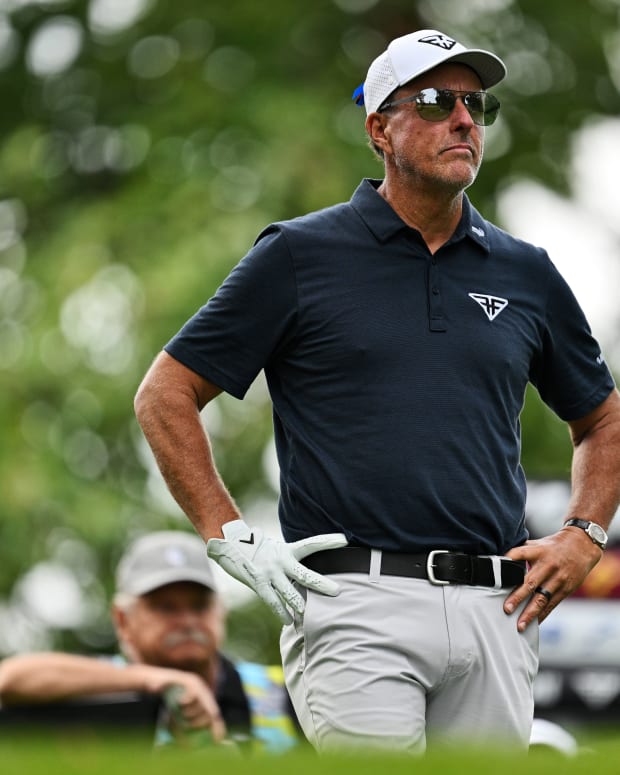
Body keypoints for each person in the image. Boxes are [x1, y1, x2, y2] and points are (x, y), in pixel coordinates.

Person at [133, 28, 620, 753]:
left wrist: (584, 535)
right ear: (379, 130)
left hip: (498, 607)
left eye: (473, 104)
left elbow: (603, 418)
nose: (461, 119)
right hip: (354, 600)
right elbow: (165, 392)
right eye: (432, 100)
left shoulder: (525, 271)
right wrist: (228, 534)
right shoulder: (299, 254)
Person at [0, 531, 251, 749]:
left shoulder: (279, 692)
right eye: (165, 607)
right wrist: (154, 680)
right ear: (122, 620)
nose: (187, 621)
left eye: (200, 605)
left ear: (221, 611)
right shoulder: (96, 685)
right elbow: (9, 679)